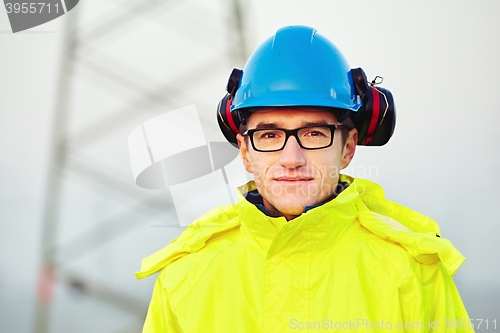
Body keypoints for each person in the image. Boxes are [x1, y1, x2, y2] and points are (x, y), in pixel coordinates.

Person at [136, 26, 473, 332]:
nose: (291, 159)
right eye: (269, 136)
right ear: (245, 152)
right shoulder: (185, 276)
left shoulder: (416, 272)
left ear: (348, 148)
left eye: (314, 133)